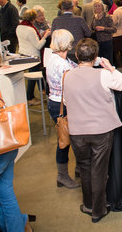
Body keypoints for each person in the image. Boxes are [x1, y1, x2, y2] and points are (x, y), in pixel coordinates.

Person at [64, 38, 122, 223]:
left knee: (84, 168)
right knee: (99, 170)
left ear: (76, 56)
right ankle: (99, 210)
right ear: (95, 58)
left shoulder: (67, 75)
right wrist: (110, 67)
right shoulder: (103, 75)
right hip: (101, 130)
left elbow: (67, 101)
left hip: (77, 131)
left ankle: (88, 204)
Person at [0, 51, 35, 232]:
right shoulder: (3, 79)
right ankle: (18, 225)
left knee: (4, 191)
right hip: (9, 143)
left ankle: (18, 223)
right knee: (5, 191)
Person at [45, 29, 79, 189]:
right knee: (65, 140)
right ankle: (63, 176)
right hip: (62, 105)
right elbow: (74, 80)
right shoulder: (61, 64)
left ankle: (77, 169)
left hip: (55, 102)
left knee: (69, 138)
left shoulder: (54, 57)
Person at [16, 9, 51, 105]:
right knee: (33, 78)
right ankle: (30, 98)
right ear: (33, 18)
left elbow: (29, 40)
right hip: (33, 56)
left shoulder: (19, 27)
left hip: (23, 54)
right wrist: (45, 36)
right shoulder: (30, 29)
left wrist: (40, 35)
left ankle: (31, 96)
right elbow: (38, 45)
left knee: (32, 77)